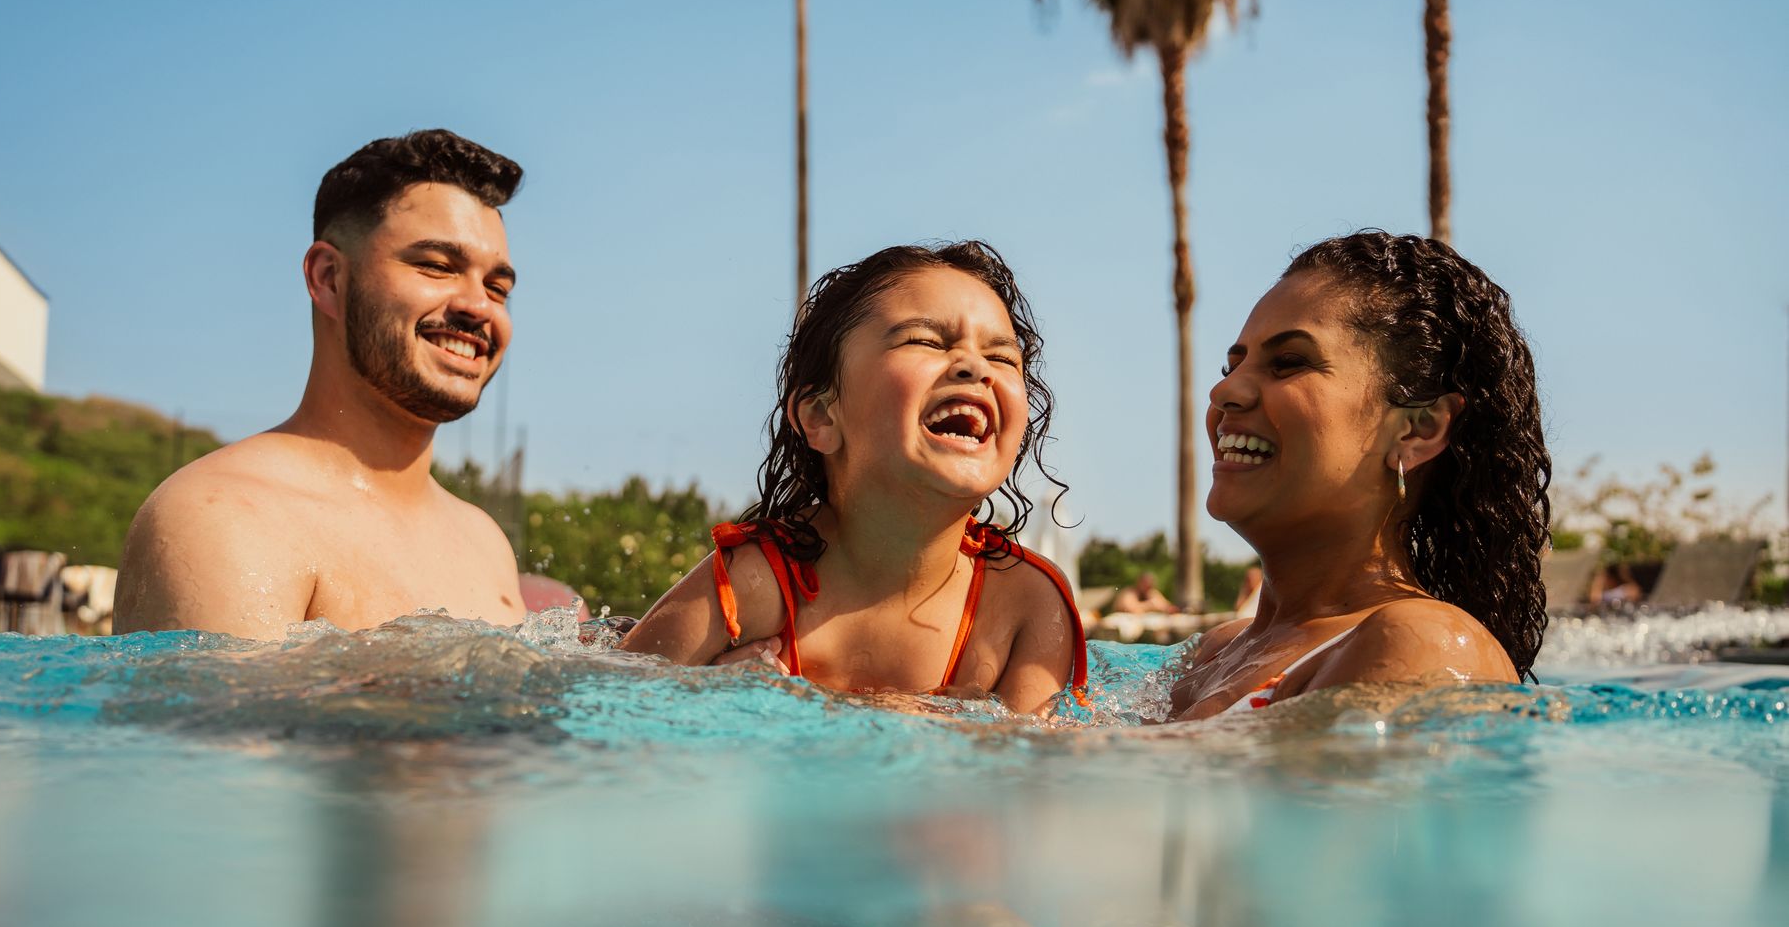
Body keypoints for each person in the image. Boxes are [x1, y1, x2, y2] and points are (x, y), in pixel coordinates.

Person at [620, 242, 1086, 714]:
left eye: (1003, 358)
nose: (974, 366)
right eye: (925, 341)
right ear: (822, 416)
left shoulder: (1026, 604)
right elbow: (605, 708)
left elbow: (1029, 776)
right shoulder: (754, 584)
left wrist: (822, 711)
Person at [114, 130, 527, 638]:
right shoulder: (225, 517)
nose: (479, 306)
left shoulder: (483, 543)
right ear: (329, 278)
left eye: (497, 287)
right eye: (438, 267)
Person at [1171, 231, 1550, 719]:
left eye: (1288, 363)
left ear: (1418, 429)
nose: (1225, 390)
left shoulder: (1421, 645)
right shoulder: (1215, 652)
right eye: (1232, 364)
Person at [1110, 569, 1179, 615]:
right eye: (1146, 584)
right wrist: (1148, 605)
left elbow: (1166, 606)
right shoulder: (1129, 593)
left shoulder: (1151, 592)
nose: (1148, 587)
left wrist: (1170, 609)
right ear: (1139, 583)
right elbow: (1128, 608)